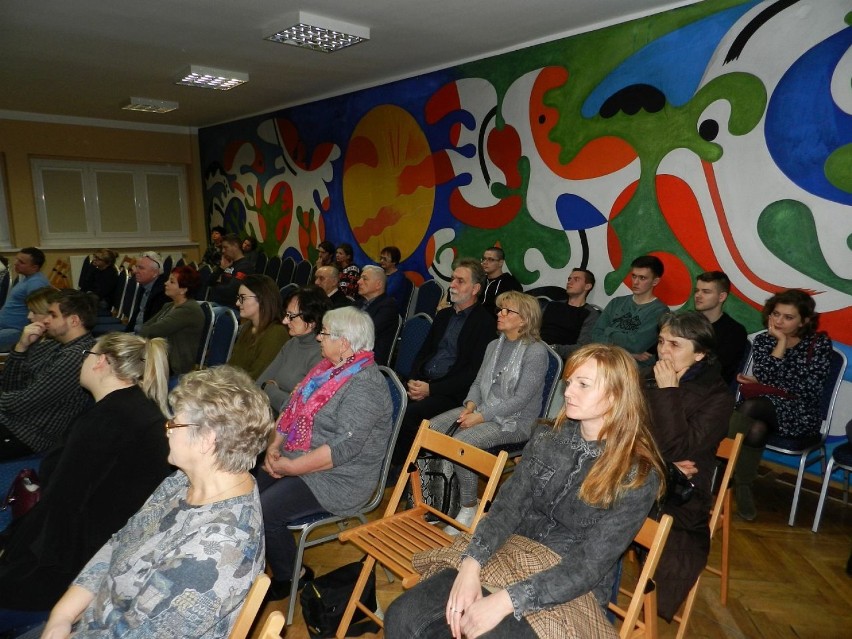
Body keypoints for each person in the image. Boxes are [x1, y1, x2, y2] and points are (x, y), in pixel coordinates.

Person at [384, 344, 665, 638]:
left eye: (583, 385)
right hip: (511, 552)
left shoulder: (637, 476)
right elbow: (508, 508)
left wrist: (507, 600)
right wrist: (471, 564)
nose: (567, 392)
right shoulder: (548, 438)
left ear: (617, 395)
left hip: (567, 585)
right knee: (403, 616)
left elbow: (587, 567)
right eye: (569, 383)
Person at [34, 366, 272, 639]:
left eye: (174, 423)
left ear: (206, 441)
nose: (167, 430)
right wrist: (62, 616)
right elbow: (120, 541)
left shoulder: (217, 551)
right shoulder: (182, 482)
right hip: (89, 618)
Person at [0, 333, 172, 633]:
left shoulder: (108, 419)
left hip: (74, 560)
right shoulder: (136, 409)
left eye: (87, 355)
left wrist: (13, 548)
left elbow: (62, 502)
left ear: (101, 362)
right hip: (105, 544)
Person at [257, 307, 392, 598]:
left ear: (343, 343)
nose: (319, 337)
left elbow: (345, 447)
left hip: (341, 478)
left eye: (325, 333)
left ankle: (292, 576)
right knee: (247, 494)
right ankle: (253, 565)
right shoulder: (325, 371)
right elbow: (292, 410)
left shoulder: (365, 385)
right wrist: (274, 447)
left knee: (265, 511)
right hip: (303, 457)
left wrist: (292, 468)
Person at [428, 291, 549, 533]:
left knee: (464, 442)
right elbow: (477, 383)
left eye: (507, 311)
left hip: (516, 422)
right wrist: (471, 405)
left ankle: (469, 507)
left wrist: (480, 416)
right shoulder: (494, 345)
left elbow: (520, 400)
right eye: (500, 310)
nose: (500, 314)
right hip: (483, 409)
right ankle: (443, 501)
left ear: (524, 319)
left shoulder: (536, 352)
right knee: (432, 429)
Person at [644, 312, 733, 621]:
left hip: (682, 491)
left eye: (675, 344)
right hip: (644, 472)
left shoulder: (718, 396)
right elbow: (624, 431)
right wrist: (654, 458)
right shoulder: (647, 378)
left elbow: (679, 449)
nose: (663, 351)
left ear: (700, 353)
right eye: (660, 341)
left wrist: (668, 392)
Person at [733, 289, 832, 521]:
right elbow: (769, 377)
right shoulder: (762, 340)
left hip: (801, 413)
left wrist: (780, 345)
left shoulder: (819, 344)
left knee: (750, 407)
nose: (779, 321)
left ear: (804, 320)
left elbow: (806, 389)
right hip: (767, 407)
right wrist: (779, 343)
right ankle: (743, 487)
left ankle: (712, 462)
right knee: (756, 428)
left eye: (788, 317)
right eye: (776, 314)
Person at [393, 258, 496, 466]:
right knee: (387, 403)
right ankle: (382, 464)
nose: (452, 285)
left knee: (409, 415)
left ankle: (403, 473)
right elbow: (423, 353)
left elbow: (471, 373)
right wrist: (413, 380)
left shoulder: (485, 323)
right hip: (423, 383)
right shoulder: (444, 315)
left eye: (460, 281)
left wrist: (431, 389)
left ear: (475, 288)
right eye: (452, 279)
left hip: (451, 394)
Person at [0, 290, 97, 461]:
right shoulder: (56, 344)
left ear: (74, 320)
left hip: (27, 434)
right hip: (13, 421)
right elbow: (11, 385)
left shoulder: (76, 357)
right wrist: (21, 347)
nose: (45, 320)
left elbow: (23, 402)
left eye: (53, 315)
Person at [257, 286, 331, 411]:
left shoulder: (322, 354)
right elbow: (260, 384)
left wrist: (270, 389)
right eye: (286, 314)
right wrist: (273, 391)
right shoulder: (293, 343)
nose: (285, 321)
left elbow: (298, 408)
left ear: (312, 320)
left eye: (291, 316)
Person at [591, 255, 669, 367]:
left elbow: (636, 345)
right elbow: (595, 335)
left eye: (642, 278)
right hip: (604, 361)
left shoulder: (659, 311)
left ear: (655, 281)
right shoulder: (616, 302)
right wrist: (630, 354)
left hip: (631, 369)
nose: (635, 282)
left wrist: (609, 331)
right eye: (633, 276)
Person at [138, 265, 205, 376]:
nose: (166, 283)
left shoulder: (189, 310)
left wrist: (146, 330)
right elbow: (145, 327)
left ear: (183, 289)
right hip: (161, 357)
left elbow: (152, 331)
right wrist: (146, 330)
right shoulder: (169, 306)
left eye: (172, 282)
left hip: (176, 365)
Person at [228, 274, 289, 380]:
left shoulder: (277, 333)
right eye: (238, 298)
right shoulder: (247, 327)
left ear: (262, 299)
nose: (237, 303)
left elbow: (258, 377)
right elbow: (232, 367)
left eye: (243, 298)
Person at [693, 271, 749, 386]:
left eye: (706, 292)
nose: (698, 295)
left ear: (722, 297)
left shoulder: (734, 331)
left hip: (709, 390)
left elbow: (718, 369)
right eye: (697, 291)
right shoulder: (687, 322)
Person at [540, 267, 601, 359]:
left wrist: (553, 349)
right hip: (536, 350)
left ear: (587, 286)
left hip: (560, 358)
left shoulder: (590, 314)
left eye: (576, 279)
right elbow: (533, 327)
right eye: (569, 279)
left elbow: (582, 348)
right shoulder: (552, 305)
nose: (569, 282)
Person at [0, 247, 50, 352]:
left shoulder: (36, 283)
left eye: (21, 262)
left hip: (16, 331)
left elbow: (40, 311)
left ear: (34, 267)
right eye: (17, 259)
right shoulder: (26, 278)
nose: (16, 263)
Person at [356, 264, 399, 366]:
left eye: (364, 279)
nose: (359, 282)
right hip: (353, 353)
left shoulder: (388, 306)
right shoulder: (358, 303)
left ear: (378, 285)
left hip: (371, 361)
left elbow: (367, 332)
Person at [126, 251, 169, 333]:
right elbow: (135, 316)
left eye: (141, 268)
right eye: (137, 267)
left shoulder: (163, 292)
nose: (135, 271)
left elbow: (154, 327)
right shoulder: (144, 285)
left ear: (155, 273)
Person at [209, 233, 255, 307]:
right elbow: (209, 282)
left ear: (235, 246)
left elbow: (230, 291)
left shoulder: (245, 266)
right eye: (222, 248)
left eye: (225, 247)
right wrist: (221, 268)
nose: (223, 251)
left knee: (204, 314)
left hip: (232, 309)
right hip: (219, 304)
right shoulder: (227, 263)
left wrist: (216, 286)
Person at [480, 247, 522, 312]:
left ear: (500, 263)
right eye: (484, 259)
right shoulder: (480, 280)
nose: (485, 262)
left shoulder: (510, 284)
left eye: (491, 259)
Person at [78, 249, 119, 313]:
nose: (94, 260)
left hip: (104, 301)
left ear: (107, 263)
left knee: (80, 304)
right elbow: (85, 284)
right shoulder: (96, 269)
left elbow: (101, 293)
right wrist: (91, 269)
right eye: (95, 257)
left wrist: (89, 293)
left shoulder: (111, 274)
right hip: (94, 296)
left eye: (98, 259)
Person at [380, 245, 413, 312]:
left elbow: (386, 294)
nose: (381, 261)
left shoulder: (399, 277)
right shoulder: (380, 272)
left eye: (385, 259)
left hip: (391, 311)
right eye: (381, 258)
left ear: (394, 261)